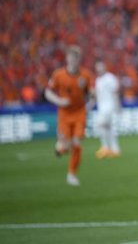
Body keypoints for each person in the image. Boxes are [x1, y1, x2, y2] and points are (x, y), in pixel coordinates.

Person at [44, 46, 94, 186]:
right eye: (71, 58)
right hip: (64, 114)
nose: (73, 61)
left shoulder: (86, 75)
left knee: (77, 143)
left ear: (79, 60)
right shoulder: (58, 75)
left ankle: (71, 174)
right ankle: (62, 147)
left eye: (76, 58)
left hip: (79, 112)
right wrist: (59, 101)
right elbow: (47, 93)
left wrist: (90, 102)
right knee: (65, 146)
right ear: (67, 59)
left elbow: (91, 93)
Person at [94, 61, 122, 159]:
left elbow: (115, 93)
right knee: (109, 128)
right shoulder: (98, 80)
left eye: (100, 66)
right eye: (97, 67)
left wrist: (118, 106)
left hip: (110, 106)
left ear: (104, 67)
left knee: (102, 124)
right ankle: (114, 149)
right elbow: (97, 95)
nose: (99, 69)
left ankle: (106, 147)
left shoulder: (110, 78)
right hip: (101, 107)